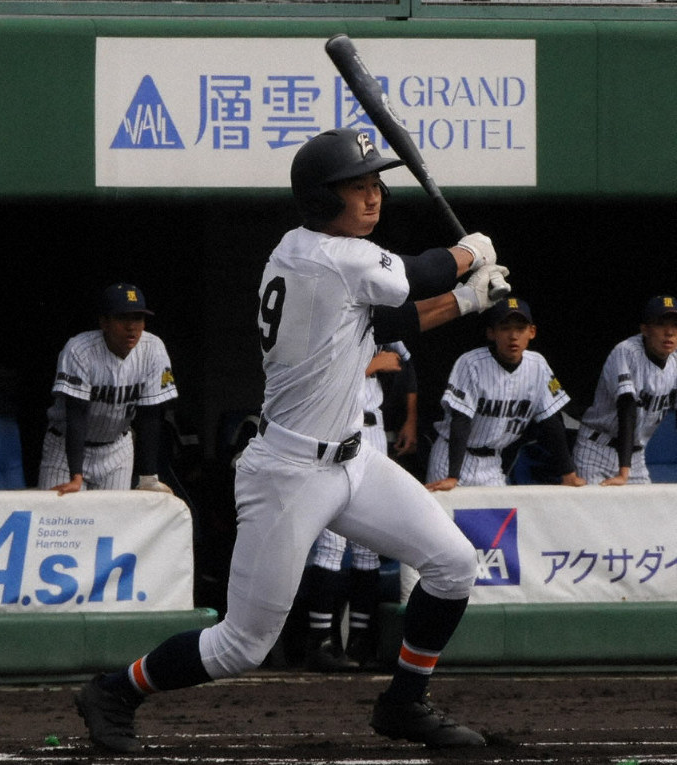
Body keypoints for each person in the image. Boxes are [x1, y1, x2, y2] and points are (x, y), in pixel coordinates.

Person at [73, 128, 510, 752]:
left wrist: (467, 300)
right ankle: (116, 690)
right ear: (318, 199)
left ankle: (404, 703)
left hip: (354, 463)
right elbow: (416, 275)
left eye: (373, 184)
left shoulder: (303, 251)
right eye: (354, 188)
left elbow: (387, 317)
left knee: (453, 565)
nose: (371, 196)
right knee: (241, 645)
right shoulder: (336, 256)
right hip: (289, 472)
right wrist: (468, 254)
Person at [304, 341, 418, 672]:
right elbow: (318, 379)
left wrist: (411, 419)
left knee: (369, 543)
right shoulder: (334, 320)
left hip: (376, 431)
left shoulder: (387, 327)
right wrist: (370, 366)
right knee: (332, 540)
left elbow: (408, 369)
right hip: (337, 429)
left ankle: (360, 641)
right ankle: (319, 641)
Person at [425, 296, 585, 490]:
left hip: (492, 463)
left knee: (498, 520)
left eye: (520, 328)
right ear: (491, 333)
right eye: (505, 328)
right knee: (445, 520)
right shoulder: (471, 363)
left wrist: (568, 474)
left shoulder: (538, 366)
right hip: (452, 458)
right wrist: (453, 476)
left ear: (532, 332)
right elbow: (461, 420)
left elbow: (551, 420)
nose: (513, 336)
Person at [37, 282, 178, 495]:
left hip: (115, 449)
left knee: (113, 526)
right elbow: (76, 412)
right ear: (104, 322)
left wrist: (149, 476)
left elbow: (150, 414)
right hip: (65, 450)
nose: (132, 326)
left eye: (138, 318)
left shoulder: (153, 349)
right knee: (58, 523)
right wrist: (76, 475)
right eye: (122, 317)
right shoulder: (80, 349)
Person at [572, 294, 677, 485]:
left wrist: (627, 470)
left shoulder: (675, 361)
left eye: (675, 325)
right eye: (661, 324)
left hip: (635, 456)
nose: (669, 332)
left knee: (645, 514)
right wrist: (623, 473)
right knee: (597, 513)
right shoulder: (627, 351)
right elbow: (627, 408)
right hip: (597, 450)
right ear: (645, 329)